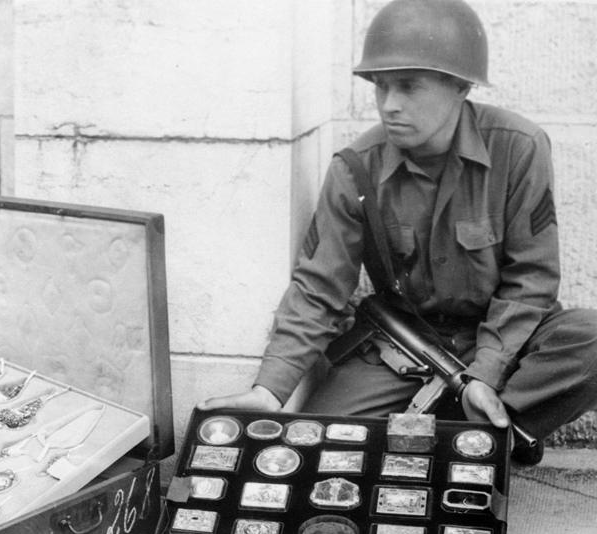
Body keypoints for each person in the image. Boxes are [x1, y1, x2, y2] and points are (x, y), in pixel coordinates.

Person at [200, 0, 597, 465]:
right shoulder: (355, 170)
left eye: (408, 87)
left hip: (508, 335)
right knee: (319, 451)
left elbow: (531, 280)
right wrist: (270, 390)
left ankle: (482, 437)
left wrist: (485, 374)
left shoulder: (519, 148)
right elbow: (318, 288)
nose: (390, 105)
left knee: (590, 340)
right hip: (402, 347)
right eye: (381, 87)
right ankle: (463, 441)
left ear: (460, 87)